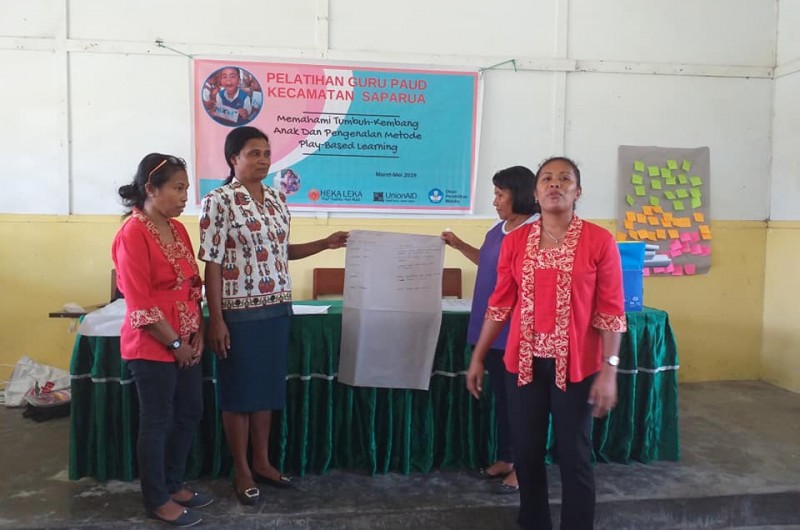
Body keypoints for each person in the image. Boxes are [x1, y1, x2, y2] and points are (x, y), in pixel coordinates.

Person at [466, 157, 627, 530]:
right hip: (522, 366)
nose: (555, 185)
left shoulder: (599, 240)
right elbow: (500, 302)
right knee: (526, 452)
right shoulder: (517, 241)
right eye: (547, 179)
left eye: (564, 179)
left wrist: (610, 370)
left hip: (576, 367)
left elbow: (611, 312)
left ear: (578, 191)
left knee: (574, 456)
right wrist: (478, 357)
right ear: (536, 193)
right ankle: (533, 522)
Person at [198, 126, 348, 506]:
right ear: (233, 159)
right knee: (238, 393)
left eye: (266, 153)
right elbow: (212, 263)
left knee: (265, 391)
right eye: (253, 153)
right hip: (237, 313)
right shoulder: (219, 201)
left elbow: (282, 252)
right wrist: (216, 319)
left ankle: (263, 462)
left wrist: (325, 244)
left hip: (277, 308)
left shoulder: (278, 200)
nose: (263, 159)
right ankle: (241, 468)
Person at [113, 154, 212, 527]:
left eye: (186, 188)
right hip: (153, 346)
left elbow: (193, 285)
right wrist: (175, 344)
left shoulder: (179, 229)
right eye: (177, 188)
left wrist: (197, 333)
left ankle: (173, 484)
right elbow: (139, 302)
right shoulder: (132, 233)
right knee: (157, 421)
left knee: (189, 412)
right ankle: (156, 498)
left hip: (187, 339)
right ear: (151, 189)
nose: (185, 196)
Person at [441, 166, 539, 494]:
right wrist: (456, 245)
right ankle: (508, 458)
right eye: (495, 193)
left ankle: (526, 469)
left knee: (522, 403)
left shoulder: (536, 230)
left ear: (521, 194)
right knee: (503, 399)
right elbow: (486, 261)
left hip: (518, 332)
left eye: (500, 194)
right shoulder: (500, 229)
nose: (495, 201)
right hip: (492, 329)